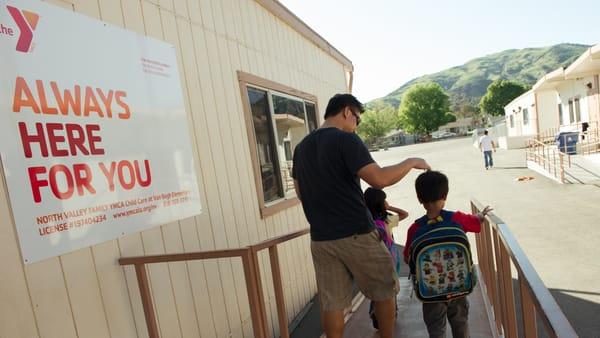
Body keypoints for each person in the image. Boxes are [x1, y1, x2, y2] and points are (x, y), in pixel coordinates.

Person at [292, 93, 430, 338]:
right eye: (357, 119)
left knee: (332, 302)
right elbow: (379, 180)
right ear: (347, 111)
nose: (356, 125)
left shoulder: (301, 148)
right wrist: (411, 162)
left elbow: (301, 193)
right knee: (384, 289)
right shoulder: (346, 140)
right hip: (356, 232)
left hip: (321, 238)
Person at [403, 170, 492, 338]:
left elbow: (408, 258)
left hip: (430, 293)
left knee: (436, 329)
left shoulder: (415, 229)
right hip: (458, 287)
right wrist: (481, 215)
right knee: (460, 324)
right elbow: (475, 222)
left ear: (419, 199)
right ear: (445, 195)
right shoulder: (456, 219)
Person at [363, 187, 408, 329]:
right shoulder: (387, 220)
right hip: (390, 261)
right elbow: (404, 214)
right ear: (381, 204)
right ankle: (390, 314)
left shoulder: (365, 222)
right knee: (390, 289)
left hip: (371, 262)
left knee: (377, 288)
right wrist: (390, 207)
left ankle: (375, 311)